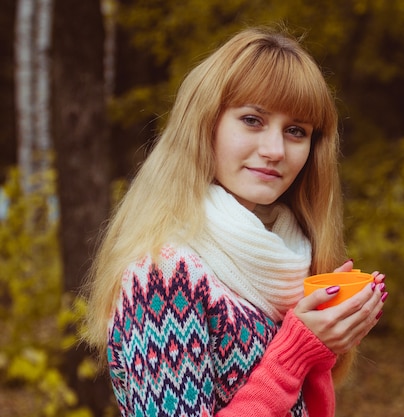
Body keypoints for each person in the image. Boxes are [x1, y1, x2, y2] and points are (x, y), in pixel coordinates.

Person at [83, 26, 388, 417]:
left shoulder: (286, 261)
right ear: (205, 123)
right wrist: (294, 353)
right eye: (252, 120)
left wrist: (322, 344)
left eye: (296, 131)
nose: (275, 150)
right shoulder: (163, 274)